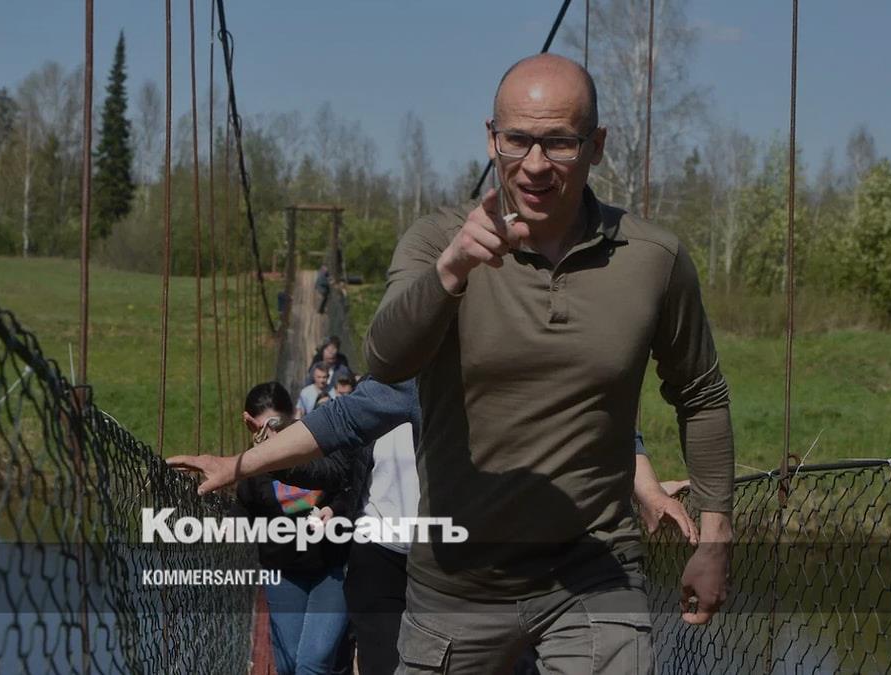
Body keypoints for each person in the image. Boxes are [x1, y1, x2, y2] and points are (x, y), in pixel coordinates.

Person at [362, 53, 734, 673]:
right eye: (517, 140)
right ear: (492, 139)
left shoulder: (653, 259)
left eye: (560, 142)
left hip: (596, 573)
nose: (535, 164)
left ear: (597, 146)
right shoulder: (437, 242)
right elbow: (385, 360)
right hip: (459, 581)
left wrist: (716, 538)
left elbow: (701, 393)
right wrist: (451, 271)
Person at [168, 378, 698, 675]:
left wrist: (643, 488)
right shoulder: (387, 393)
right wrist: (242, 464)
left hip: (457, 560)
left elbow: (588, 426)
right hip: (378, 555)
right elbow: (327, 459)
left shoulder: (490, 382)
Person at [230, 382, 354, 675]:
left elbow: (352, 486)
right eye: (262, 428)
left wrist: (335, 509)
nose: (270, 435)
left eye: (277, 426)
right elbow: (240, 517)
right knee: (288, 666)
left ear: (294, 416)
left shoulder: (321, 446)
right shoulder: (250, 470)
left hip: (332, 568)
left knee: (313, 662)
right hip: (283, 573)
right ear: (250, 425)